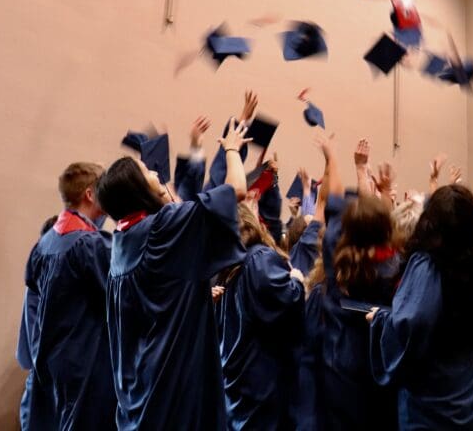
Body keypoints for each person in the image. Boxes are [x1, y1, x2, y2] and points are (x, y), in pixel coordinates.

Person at [367, 96, 473, 430]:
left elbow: (410, 324)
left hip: (441, 410)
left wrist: (381, 319)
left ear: (428, 221)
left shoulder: (425, 266)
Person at [96, 118, 249, 430]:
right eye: (147, 172)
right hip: (173, 379)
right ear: (138, 189)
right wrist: (231, 149)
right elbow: (236, 191)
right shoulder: (163, 228)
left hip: (139, 384)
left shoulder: (121, 242)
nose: (154, 172)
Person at [303, 134, 401, 430]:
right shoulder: (395, 265)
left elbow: (333, 202)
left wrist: (333, 155)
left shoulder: (337, 254)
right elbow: (378, 225)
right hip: (376, 362)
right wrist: (379, 190)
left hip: (338, 359)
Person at [16, 162, 116, 431]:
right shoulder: (88, 244)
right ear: (90, 194)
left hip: (51, 365)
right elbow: (122, 295)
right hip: (85, 366)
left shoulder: (45, 244)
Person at [216, 200, 306, 430]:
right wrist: (296, 280)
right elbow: (287, 299)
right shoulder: (258, 259)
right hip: (261, 377)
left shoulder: (228, 270)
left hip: (239, 378)